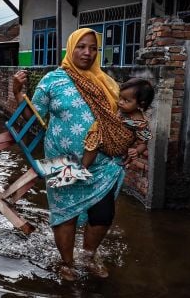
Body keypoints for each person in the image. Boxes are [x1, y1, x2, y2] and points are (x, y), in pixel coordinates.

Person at [12, 28, 134, 281]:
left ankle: (89, 255)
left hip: (102, 161)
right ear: (70, 48)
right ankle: (66, 263)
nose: (87, 53)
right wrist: (17, 93)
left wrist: (133, 144)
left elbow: (122, 119)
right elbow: (32, 118)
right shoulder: (52, 81)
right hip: (63, 160)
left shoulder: (106, 83)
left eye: (93, 48)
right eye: (81, 46)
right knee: (66, 214)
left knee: (103, 214)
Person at [80, 78, 155, 169]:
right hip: (106, 141)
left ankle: (83, 167)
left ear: (141, 104)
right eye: (120, 97)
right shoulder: (119, 109)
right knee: (95, 130)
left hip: (116, 148)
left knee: (95, 135)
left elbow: (143, 143)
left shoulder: (140, 123)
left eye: (126, 100)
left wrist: (136, 151)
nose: (120, 102)